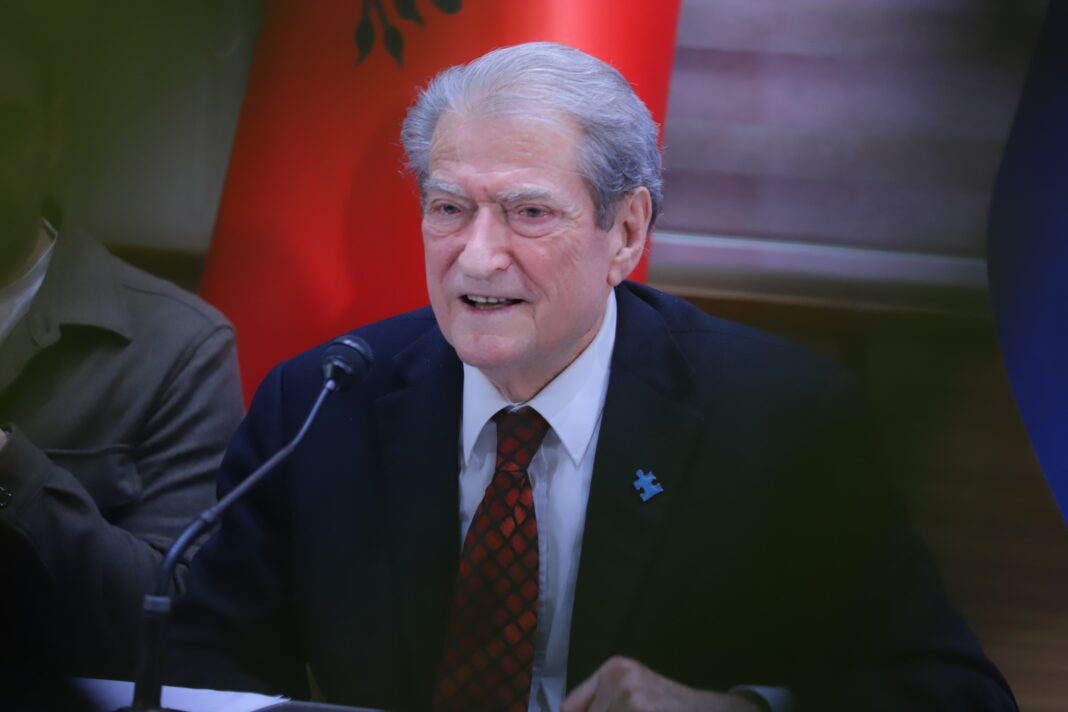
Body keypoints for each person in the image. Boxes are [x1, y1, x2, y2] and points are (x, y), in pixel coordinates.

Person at [170, 42, 1015, 711]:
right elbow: (201, 665)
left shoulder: (780, 421)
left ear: (627, 233)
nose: (477, 256)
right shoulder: (321, 402)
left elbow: (952, 692)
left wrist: (738, 711)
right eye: (449, 208)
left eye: (529, 212)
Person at [0, 6, 245, 694]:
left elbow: (176, 626)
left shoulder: (177, 348)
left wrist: (10, 468)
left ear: (51, 135)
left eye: (3, 126)